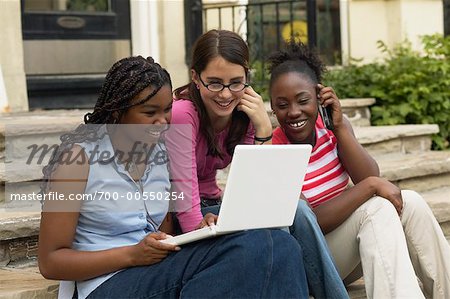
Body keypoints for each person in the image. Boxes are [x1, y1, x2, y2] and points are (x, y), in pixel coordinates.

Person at [37, 56, 310, 299]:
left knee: (280, 243)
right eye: (149, 113)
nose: (163, 121)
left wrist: (203, 230)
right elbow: (50, 262)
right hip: (108, 284)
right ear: (118, 112)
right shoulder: (78, 160)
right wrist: (131, 255)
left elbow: (166, 233)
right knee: (247, 251)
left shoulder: (157, 152)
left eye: (167, 109)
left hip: (155, 270)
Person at [168, 29, 348, 299]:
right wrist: (201, 227)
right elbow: (182, 194)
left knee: (291, 211)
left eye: (236, 82)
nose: (226, 94)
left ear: (247, 76)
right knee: (292, 213)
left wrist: (263, 127)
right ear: (195, 77)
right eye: (215, 83)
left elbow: (260, 185)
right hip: (183, 215)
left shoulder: (245, 110)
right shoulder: (183, 113)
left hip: (215, 205)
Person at [268, 39, 450, 299]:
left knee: (411, 202)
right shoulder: (275, 150)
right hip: (314, 260)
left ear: (319, 97)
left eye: (303, 100)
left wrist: (340, 128)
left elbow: (368, 176)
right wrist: (370, 187)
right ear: (273, 107)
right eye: (282, 105)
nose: (294, 112)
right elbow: (310, 222)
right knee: (375, 209)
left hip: (350, 252)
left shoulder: (332, 129)